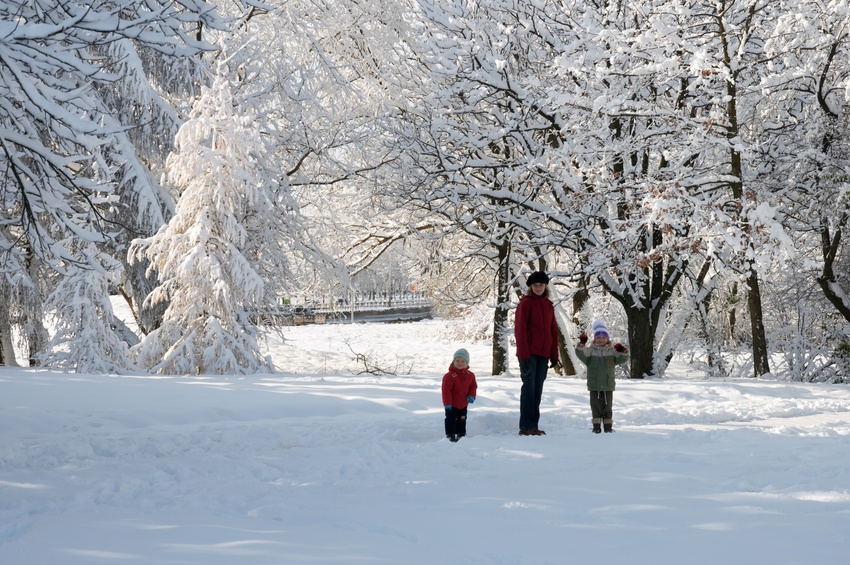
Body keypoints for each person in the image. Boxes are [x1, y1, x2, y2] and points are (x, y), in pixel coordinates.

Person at [514, 271, 559, 436]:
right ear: (531, 287)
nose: (538, 287)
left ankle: (534, 425)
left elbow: (553, 332)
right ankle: (526, 426)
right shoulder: (525, 304)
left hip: (543, 354)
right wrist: (524, 356)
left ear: (545, 286)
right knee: (529, 388)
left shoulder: (548, 305)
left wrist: (554, 355)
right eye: (535, 285)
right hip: (529, 354)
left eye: (541, 285)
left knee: (537, 390)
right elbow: (520, 331)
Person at [575, 320, 629, 433]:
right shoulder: (590, 352)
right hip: (594, 385)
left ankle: (608, 428)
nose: (601, 340)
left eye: (603, 337)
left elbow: (623, 358)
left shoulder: (612, 352)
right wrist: (581, 345)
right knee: (595, 406)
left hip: (608, 385)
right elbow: (581, 354)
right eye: (598, 337)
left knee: (608, 407)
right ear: (594, 339)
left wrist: (623, 351)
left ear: (607, 339)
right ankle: (596, 428)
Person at [442, 348, 477, 442]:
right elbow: (446, 391)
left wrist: (471, 396)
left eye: (463, 361)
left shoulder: (470, 375)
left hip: (463, 404)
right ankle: (450, 435)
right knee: (451, 420)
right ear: (453, 361)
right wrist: (447, 403)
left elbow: (473, 386)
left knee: (462, 419)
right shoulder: (449, 376)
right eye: (457, 360)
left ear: (467, 362)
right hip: (452, 405)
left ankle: (461, 434)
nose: (460, 363)